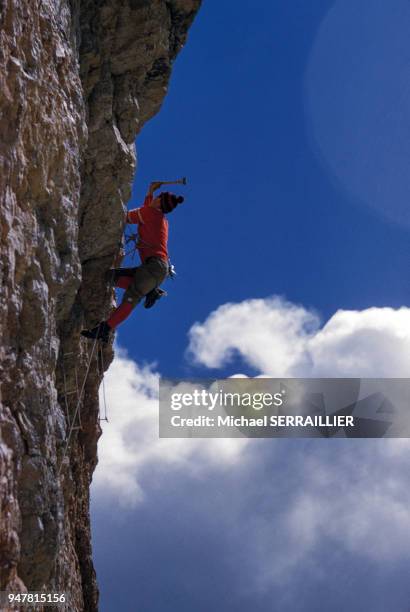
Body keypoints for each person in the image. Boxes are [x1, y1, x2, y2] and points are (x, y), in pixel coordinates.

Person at [81, 181, 184, 343]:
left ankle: (105, 329)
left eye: (157, 197)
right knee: (110, 277)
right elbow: (146, 211)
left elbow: (126, 217)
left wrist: (150, 192)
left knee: (132, 296)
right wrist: (150, 191)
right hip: (156, 269)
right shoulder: (161, 219)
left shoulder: (150, 213)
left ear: (159, 202)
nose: (154, 199)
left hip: (152, 267)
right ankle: (151, 291)